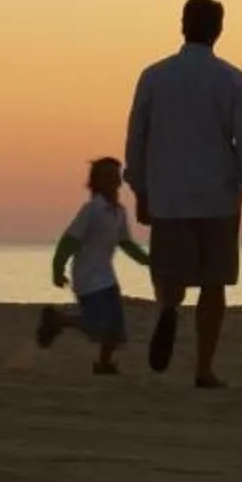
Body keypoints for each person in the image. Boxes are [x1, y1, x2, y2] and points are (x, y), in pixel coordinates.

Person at [125, 0, 242, 388]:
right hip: (218, 196)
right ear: (218, 30)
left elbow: (137, 136)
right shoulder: (232, 79)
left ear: (183, 25)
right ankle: (203, 368)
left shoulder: (154, 76)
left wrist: (140, 189)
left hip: (169, 194)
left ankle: (168, 308)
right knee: (213, 282)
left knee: (169, 273)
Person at [34, 157, 154, 372]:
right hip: (87, 277)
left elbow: (126, 243)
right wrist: (57, 268)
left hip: (107, 277)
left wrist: (148, 261)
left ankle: (104, 363)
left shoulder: (119, 212)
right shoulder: (92, 210)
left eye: (115, 175)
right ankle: (58, 320)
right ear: (96, 181)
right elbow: (69, 241)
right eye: (107, 175)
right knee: (97, 323)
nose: (112, 179)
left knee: (116, 331)